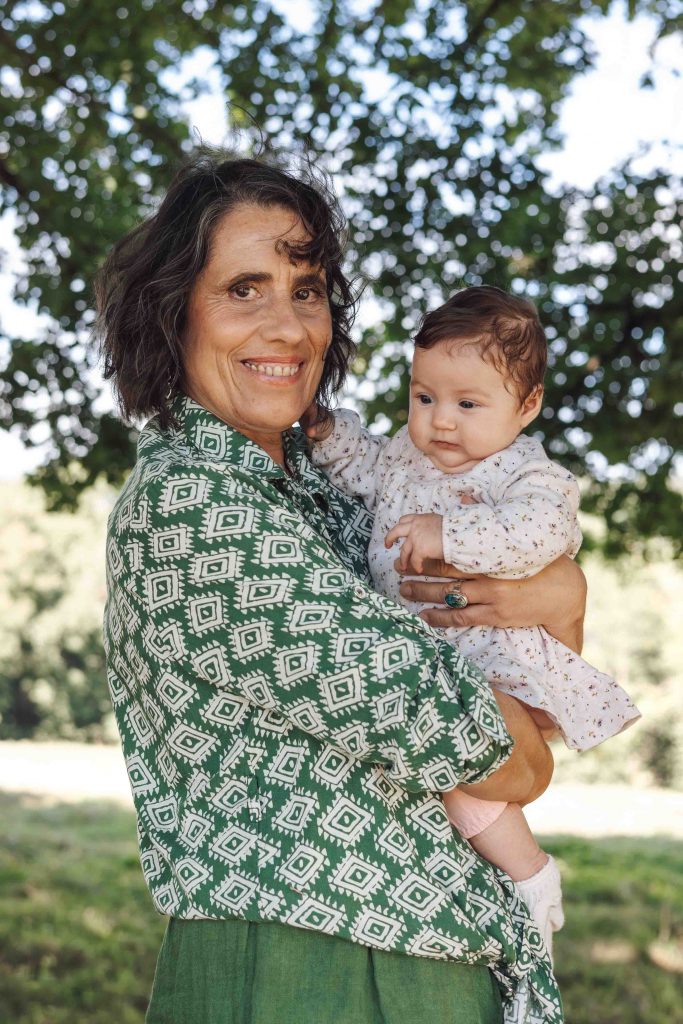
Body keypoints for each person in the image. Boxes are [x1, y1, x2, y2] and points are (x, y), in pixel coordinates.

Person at [97, 152, 585, 1024]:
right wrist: (519, 706)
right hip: (301, 970)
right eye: (243, 289)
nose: (287, 327)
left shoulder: (326, 485)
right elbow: (499, 753)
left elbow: (513, 677)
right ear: (172, 314)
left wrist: (563, 596)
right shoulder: (191, 501)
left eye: (308, 290)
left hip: (427, 960)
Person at [304, 285, 640, 956]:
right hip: (440, 653)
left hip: (498, 656)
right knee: (438, 769)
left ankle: (530, 875)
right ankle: (512, 882)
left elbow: (538, 534)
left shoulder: (527, 475)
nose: (441, 422)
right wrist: (326, 431)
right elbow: (363, 465)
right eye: (424, 397)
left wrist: (449, 533)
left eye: (467, 404)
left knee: (451, 760)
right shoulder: (407, 455)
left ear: (527, 406)